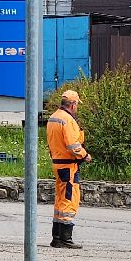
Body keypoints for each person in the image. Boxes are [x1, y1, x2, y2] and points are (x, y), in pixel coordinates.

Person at [46, 89, 91, 250]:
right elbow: (73, 145)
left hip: (57, 163)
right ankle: (65, 238)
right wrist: (85, 155)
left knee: (60, 199)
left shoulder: (53, 117)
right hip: (69, 165)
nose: (77, 107)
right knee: (69, 199)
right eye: (77, 104)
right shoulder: (67, 120)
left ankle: (56, 236)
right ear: (72, 104)